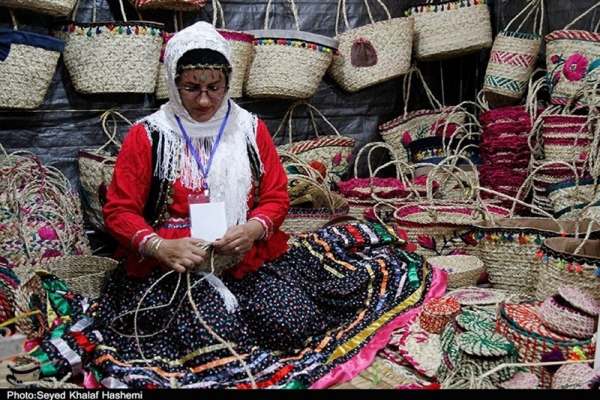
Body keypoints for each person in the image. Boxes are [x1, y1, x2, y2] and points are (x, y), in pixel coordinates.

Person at [9, 22, 442, 389]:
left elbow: (274, 196)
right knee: (208, 336)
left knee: (295, 321)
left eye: (214, 87)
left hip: (243, 258)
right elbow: (119, 212)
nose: (203, 100)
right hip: (172, 271)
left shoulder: (249, 129)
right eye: (191, 88)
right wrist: (160, 247)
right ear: (173, 83)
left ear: (227, 82)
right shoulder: (150, 136)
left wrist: (254, 229)